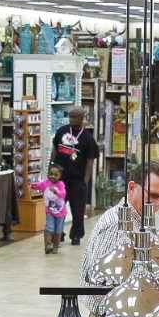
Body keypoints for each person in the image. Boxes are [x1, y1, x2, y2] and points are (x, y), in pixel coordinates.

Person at [81, 160, 159, 317]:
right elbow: (104, 281)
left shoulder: (140, 221)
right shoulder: (118, 225)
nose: (157, 204)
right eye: (153, 195)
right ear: (132, 187)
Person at [49, 105, 100, 247]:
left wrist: (85, 181)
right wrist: (51, 168)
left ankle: (76, 235)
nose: (70, 119)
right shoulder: (62, 131)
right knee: (57, 207)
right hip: (60, 178)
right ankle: (58, 233)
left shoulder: (88, 138)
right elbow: (55, 150)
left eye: (73, 116)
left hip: (77, 179)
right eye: (69, 116)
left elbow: (90, 162)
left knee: (78, 210)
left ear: (81, 118)